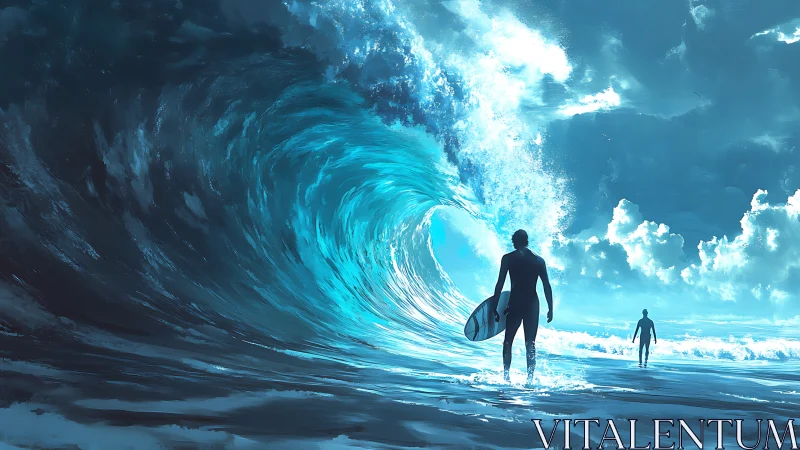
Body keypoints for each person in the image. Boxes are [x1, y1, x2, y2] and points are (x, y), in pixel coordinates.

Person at [492, 229, 553, 385]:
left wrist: (494, 306)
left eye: (513, 240)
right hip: (532, 303)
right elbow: (546, 286)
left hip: (516, 303)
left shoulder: (508, 258)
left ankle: (506, 377)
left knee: (508, 341)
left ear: (517, 241)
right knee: (530, 343)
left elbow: (500, 284)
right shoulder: (539, 260)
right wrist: (550, 308)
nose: (512, 243)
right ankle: (529, 379)